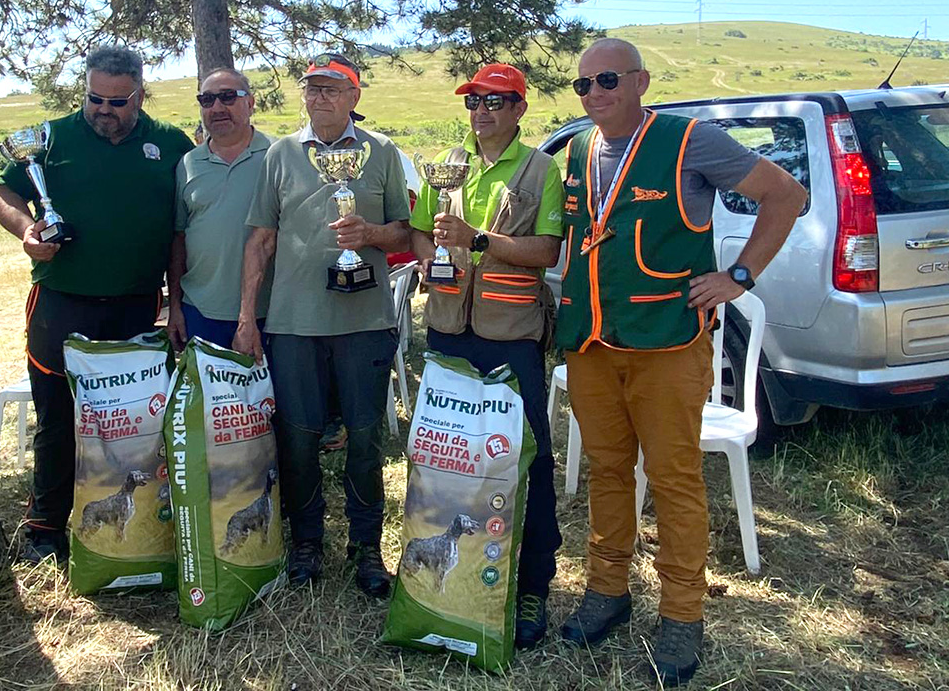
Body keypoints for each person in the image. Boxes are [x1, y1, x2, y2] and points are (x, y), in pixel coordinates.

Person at [556, 38, 806, 686]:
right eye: (583, 84)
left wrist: (739, 276)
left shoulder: (690, 139)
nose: (594, 93)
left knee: (673, 479)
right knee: (608, 472)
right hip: (592, 342)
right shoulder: (579, 149)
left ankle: (682, 615)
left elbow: (786, 195)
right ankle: (607, 593)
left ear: (639, 80)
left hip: (667, 341)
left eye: (607, 78)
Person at [0, 45, 193, 564]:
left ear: (140, 95)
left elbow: (181, 231)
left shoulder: (170, 143)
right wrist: (26, 230)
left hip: (136, 306)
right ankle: (46, 525)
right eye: (94, 99)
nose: (104, 110)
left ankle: (139, 516)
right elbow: (5, 196)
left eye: (117, 101)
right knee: (57, 416)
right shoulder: (50, 138)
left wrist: (176, 302)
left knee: (132, 419)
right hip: (62, 303)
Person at [234, 52, 411, 599]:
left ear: (355, 97)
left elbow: (405, 232)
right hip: (293, 324)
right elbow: (261, 237)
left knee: (364, 436)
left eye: (333, 89)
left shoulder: (382, 153)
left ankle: (367, 546)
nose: (320, 98)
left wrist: (370, 236)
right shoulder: (281, 154)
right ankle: (306, 541)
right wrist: (247, 316)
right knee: (300, 436)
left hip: (364, 322)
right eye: (312, 88)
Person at [408, 63, 564, 648]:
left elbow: (546, 250)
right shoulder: (449, 162)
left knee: (527, 462)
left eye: (497, 101)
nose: (482, 110)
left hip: (512, 340)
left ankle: (532, 586)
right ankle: (449, 572)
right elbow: (421, 229)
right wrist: (428, 257)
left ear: (520, 109)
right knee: (446, 460)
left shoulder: (541, 169)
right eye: (474, 99)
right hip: (449, 334)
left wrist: (478, 238)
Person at [167, 68, 272, 351]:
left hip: (270, 314)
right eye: (207, 100)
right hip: (200, 312)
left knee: (269, 397)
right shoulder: (187, 164)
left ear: (250, 103)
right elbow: (179, 240)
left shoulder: (278, 155)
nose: (217, 107)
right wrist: (175, 308)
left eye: (228, 97)